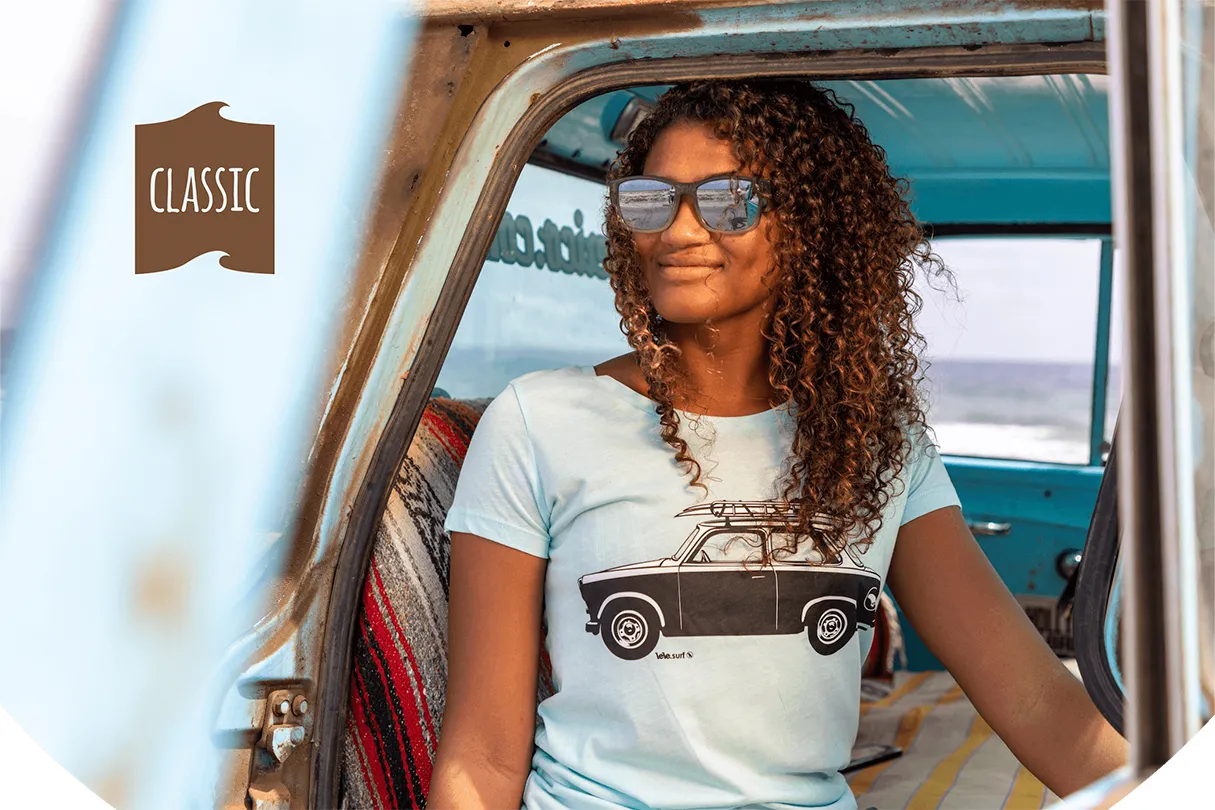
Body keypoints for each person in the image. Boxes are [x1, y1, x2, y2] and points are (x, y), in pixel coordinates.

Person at [428, 79, 1127, 810]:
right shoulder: (539, 421)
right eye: (650, 200)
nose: (678, 231)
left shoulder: (876, 442)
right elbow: (480, 758)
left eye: (728, 200)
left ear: (808, 227)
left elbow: (1034, 700)